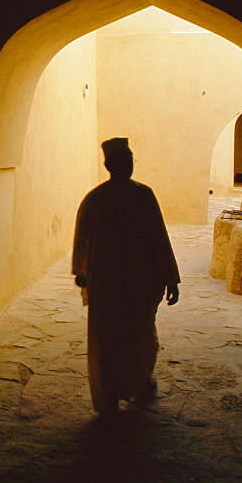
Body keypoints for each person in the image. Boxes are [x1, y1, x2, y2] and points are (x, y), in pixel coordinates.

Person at [72, 137, 180, 415]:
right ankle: (116, 390)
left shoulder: (136, 195)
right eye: (124, 160)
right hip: (112, 283)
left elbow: (158, 237)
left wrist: (171, 278)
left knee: (138, 335)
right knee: (112, 339)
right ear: (111, 165)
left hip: (136, 282)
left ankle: (137, 384)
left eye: (130, 159)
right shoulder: (101, 199)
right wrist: (82, 274)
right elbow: (83, 241)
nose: (128, 165)